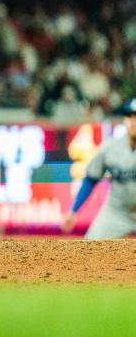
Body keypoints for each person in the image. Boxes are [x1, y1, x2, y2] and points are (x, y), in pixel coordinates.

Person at [61, 99, 136, 239]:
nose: (133, 121)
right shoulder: (111, 147)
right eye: (129, 116)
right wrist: (73, 211)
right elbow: (91, 179)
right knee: (90, 249)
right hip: (117, 212)